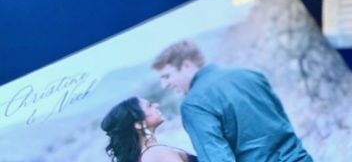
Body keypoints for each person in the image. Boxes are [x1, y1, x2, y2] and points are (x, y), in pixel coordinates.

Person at [152, 40, 312, 162]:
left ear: (187, 66)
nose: (164, 85)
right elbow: (283, 122)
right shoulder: (250, 75)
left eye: (167, 76)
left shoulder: (193, 105)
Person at [101, 96, 197, 162]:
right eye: (149, 106)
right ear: (138, 124)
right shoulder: (157, 153)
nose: (156, 105)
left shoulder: (144, 155)